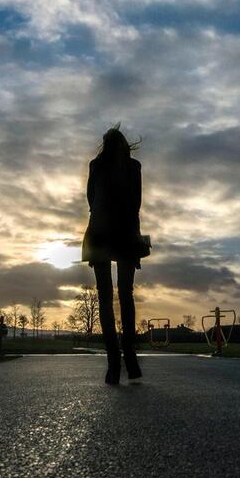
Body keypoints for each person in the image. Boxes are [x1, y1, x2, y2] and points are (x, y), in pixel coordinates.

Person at [82, 125, 145, 385]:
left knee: (105, 298)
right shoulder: (133, 167)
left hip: (99, 234)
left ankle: (112, 365)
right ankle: (130, 361)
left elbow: (90, 199)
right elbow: (136, 202)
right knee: (126, 295)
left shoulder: (96, 166)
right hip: (127, 233)